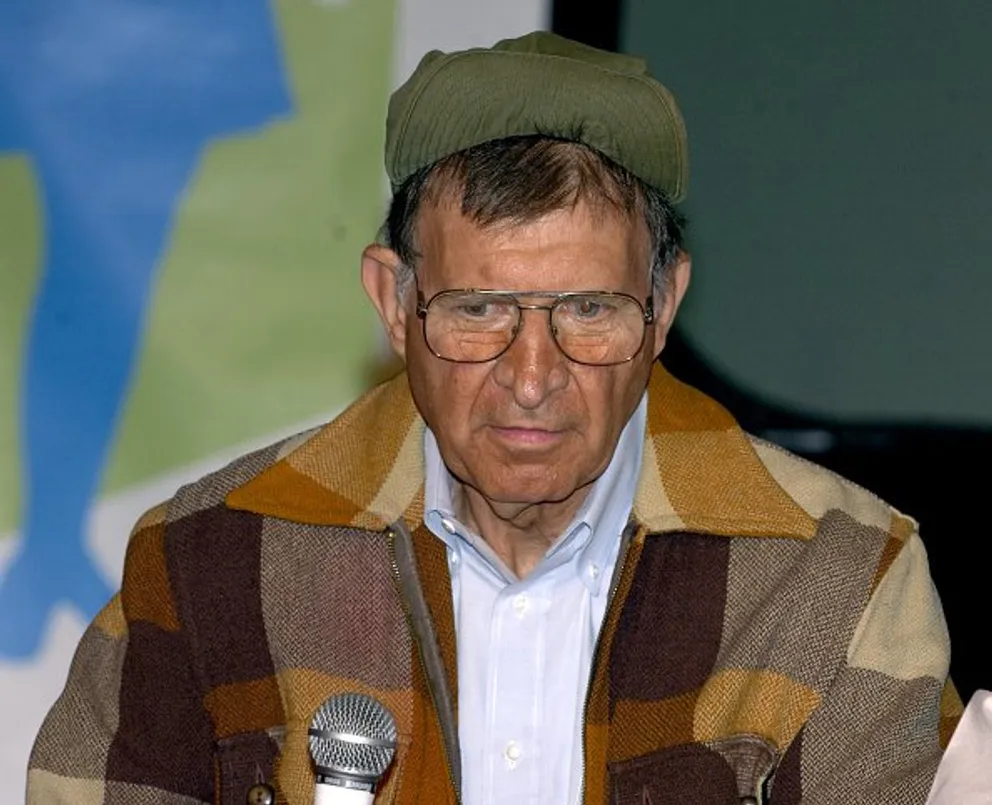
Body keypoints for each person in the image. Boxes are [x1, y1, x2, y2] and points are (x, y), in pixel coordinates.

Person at [27, 31, 960, 805]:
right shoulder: (208, 564)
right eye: (478, 311)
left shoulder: (838, 578)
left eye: (588, 310)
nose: (531, 376)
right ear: (394, 303)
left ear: (664, 306)